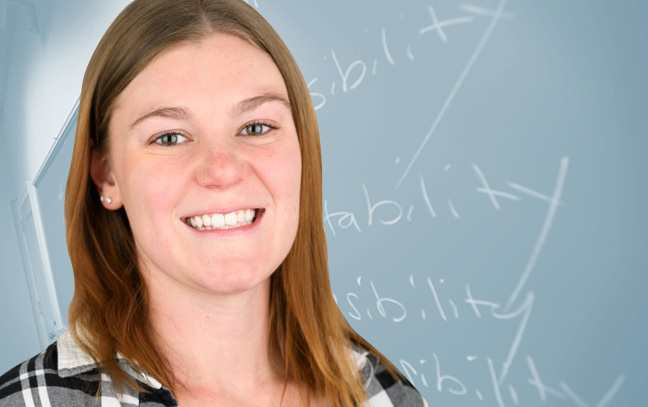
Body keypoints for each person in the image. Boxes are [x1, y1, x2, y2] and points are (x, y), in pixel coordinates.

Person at [0, 1, 428, 406]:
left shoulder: (384, 393)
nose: (222, 169)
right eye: (169, 137)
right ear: (107, 176)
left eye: (257, 126)